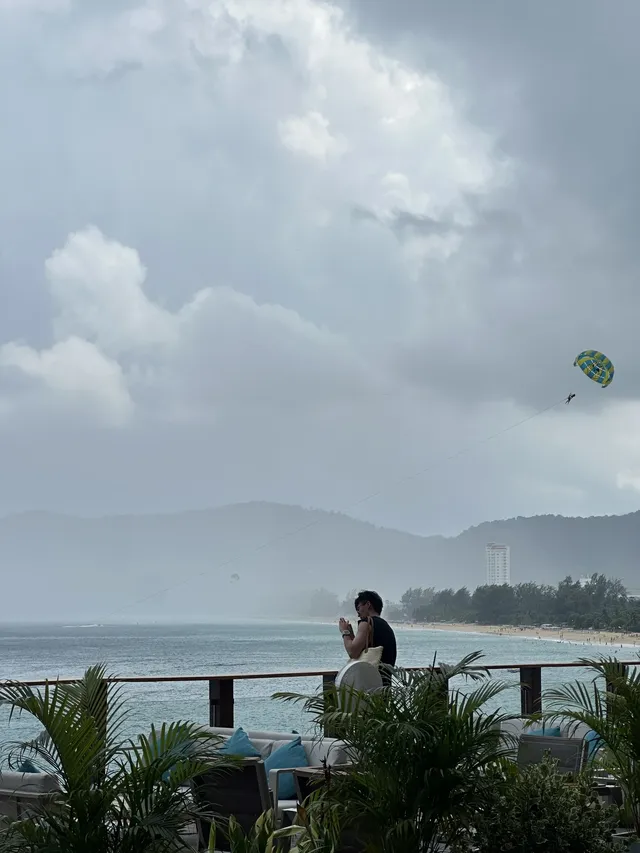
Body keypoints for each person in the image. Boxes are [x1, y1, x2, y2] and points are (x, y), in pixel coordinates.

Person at [338, 590, 397, 682]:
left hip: (369, 685)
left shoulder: (366, 623)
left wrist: (344, 632)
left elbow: (353, 652)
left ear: (368, 604)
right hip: (384, 685)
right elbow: (364, 649)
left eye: (358, 608)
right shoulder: (385, 626)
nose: (358, 613)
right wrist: (351, 635)